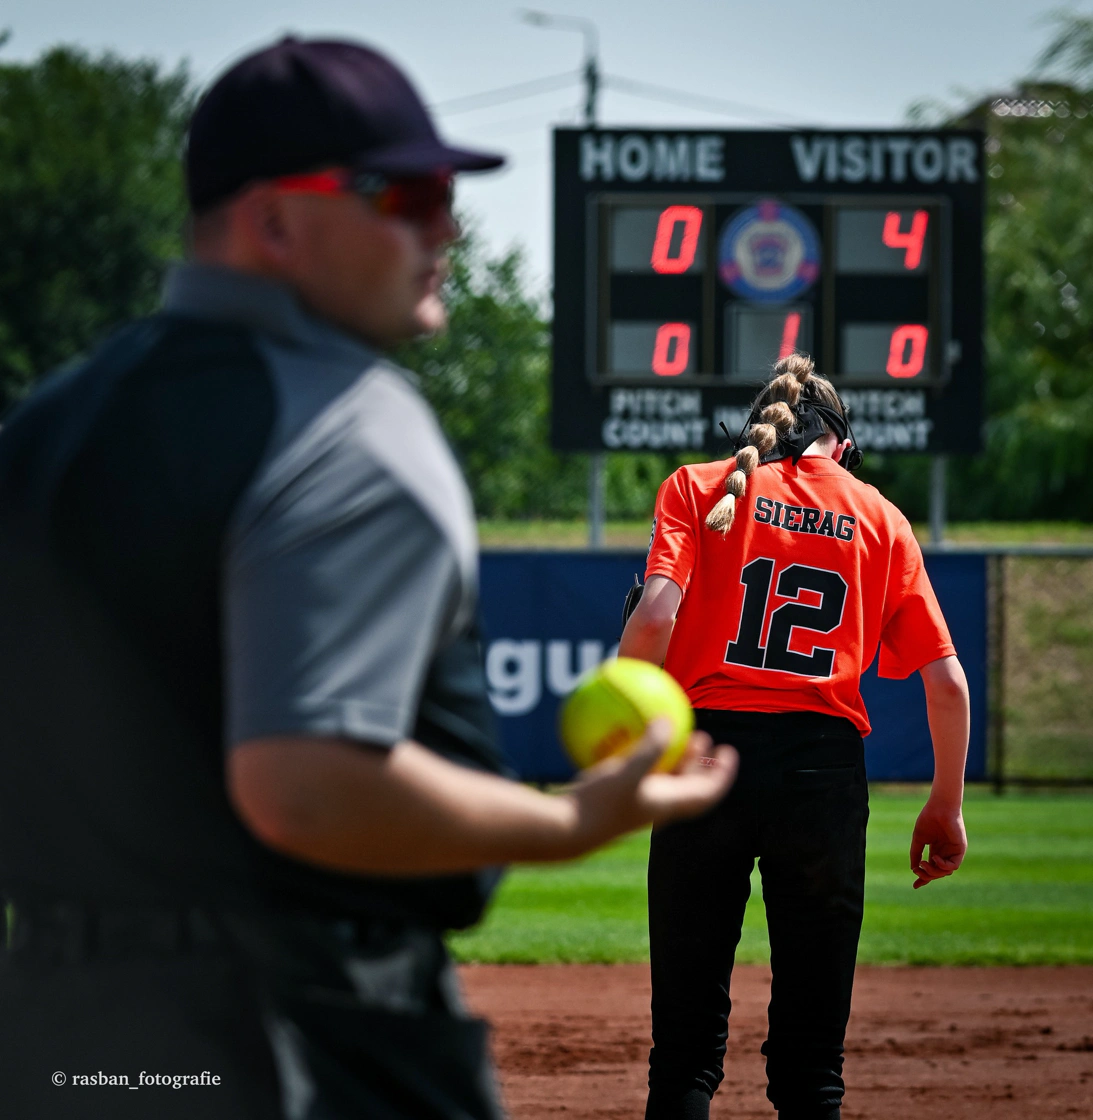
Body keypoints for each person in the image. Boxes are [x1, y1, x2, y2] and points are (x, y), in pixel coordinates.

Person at [0, 36, 736, 1120]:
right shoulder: (343, 423)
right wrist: (569, 822)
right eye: (404, 195)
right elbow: (303, 788)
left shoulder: (50, 421)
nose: (445, 227)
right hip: (294, 1037)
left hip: (54, 1034)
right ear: (273, 220)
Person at [619, 354, 969, 1120]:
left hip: (703, 761)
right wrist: (943, 806)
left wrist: (625, 723)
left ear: (760, 428)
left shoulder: (699, 486)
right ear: (841, 444)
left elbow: (652, 620)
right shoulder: (881, 517)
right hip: (822, 774)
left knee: (683, 1055)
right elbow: (946, 684)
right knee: (812, 1070)